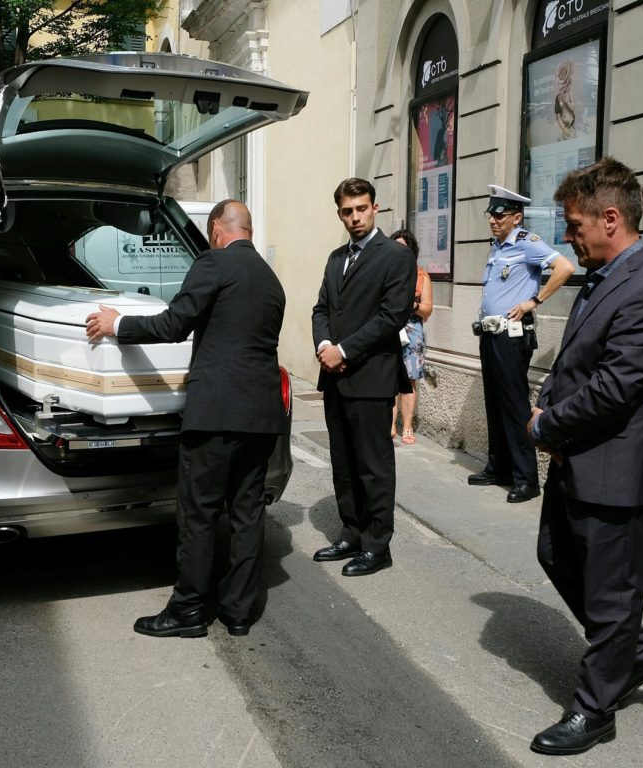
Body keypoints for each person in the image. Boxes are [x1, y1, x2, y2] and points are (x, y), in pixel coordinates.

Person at [526, 157, 643, 755]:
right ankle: (637, 651)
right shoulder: (604, 276)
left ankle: (595, 710)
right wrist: (547, 402)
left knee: (614, 593)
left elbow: (616, 389)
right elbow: (576, 363)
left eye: (574, 225)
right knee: (556, 554)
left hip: (619, 471)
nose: (568, 236)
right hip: (580, 458)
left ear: (610, 219)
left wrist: (547, 425)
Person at [84, 200, 286, 638]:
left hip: (215, 414)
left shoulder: (213, 262)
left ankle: (188, 611)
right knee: (247, 515)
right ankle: (238, 613)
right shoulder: (272, 281)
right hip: (263, 417)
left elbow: (174, 324)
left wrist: (119, 324)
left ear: (215, 228)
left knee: (198, 514)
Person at [310, 178, 415, 577]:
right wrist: (323, 345)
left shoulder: (394, 256)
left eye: (361, 209)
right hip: (334, 376)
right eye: (347, 211)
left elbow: (392, 317)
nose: (354, 217)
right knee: (344, 461)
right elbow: (322, 308)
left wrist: (345, 350)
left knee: (373, 465)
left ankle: (376, 545)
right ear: (340, 213)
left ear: (375, 209)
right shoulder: (337, 258)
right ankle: (351, 532)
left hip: (370, 377)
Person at [468, 184, 574, 503]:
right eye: (491, 214)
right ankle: (498, 466)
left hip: (511, 336)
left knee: (514, 406)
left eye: (499, 215)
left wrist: (534, 301)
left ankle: (526, 478)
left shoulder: (527, 243)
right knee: (494, 401)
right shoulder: (499, 246)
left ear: (516, 218)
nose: (493, 220)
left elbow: (565, 268)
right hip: (490, 333)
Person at [388, 229, 433, 445]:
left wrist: (412, 304)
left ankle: (406, 426)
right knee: (387, 378)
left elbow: (427, 309)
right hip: (388, 328)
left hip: (412, 331)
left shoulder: (422, 276)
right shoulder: (383, 273)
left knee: (409, 379)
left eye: (403, 248)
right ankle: (389, 424)